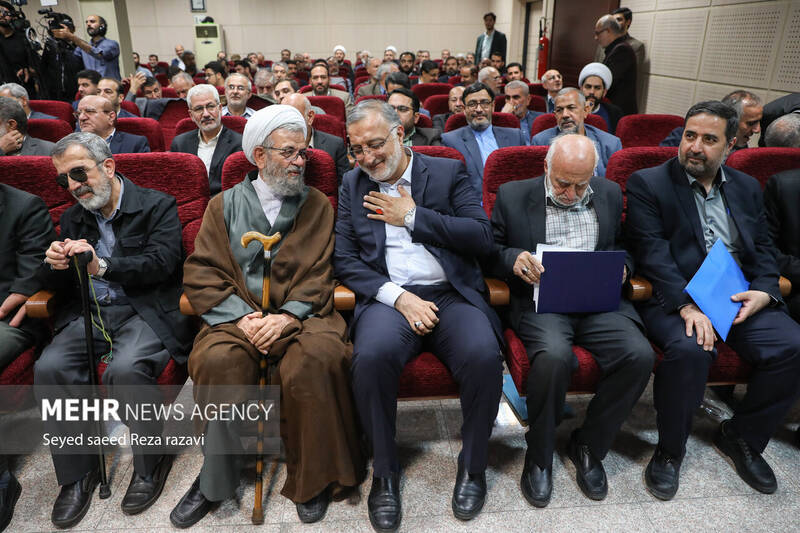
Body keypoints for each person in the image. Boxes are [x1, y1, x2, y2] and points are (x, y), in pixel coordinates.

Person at [171, 105, 365, 528]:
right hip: (236, 316)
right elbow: (202, 270)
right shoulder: (222, 205)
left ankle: (313, 477)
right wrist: (243, 318)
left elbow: (322, 271)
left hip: (306, 314)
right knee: (218, 362)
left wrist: (287, 316)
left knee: (315, 361)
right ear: (259, 156)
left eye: (304, 154)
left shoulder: (317, 205)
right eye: (290, 153)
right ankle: (214, 477)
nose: (300, 162)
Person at [335, 99, 503, 530]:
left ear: (401, 133)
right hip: (391, 298)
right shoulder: (352, 184)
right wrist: (397, 297)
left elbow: (481, 237)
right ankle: (385, 474)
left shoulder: (446, 171)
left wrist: (412, 216)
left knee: (484, 356)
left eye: (375, 144)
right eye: (357, 149)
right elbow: (346, 260)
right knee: (369, 359)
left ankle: (473, 466)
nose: (367, 157)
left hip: (450, 293)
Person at [626, 100, 800, 501]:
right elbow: (652, 254)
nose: (695, 147)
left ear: (731, 145)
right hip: (677, 295)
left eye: (709, 139)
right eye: (690, 136)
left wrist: (764, 289)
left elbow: (763, 246)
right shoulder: (647, 183)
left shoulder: (744, 187)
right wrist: (686, 306)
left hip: (737, 293)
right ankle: (670, 451)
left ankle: (741, 437)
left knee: (792, 346)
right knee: (691, 350)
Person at [35, 132, 192, 528]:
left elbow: (162, 262)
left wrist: (102, 267)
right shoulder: (74, 217)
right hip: (91, 313)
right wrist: (53, 262)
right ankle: (77, 474)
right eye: (63, 179)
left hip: (144, 309)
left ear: (108, 166)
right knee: (50, 368)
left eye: (79, 172)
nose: (72, 185)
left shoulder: (157, 204)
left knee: (125, 369)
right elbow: (59, 284)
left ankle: (149, 462)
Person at [488, 133, 654, 507]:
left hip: (598, 302)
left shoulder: (609, 192)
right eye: (562, 183)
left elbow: (625, 248)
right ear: (546, 167)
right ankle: (540, 453)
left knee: (639, 356)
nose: (571, 193)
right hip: (542, 301)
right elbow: (490, 250)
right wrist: (513, 258)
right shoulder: (514, 195)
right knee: (553, 356)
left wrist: (624, 270)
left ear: (593, 174)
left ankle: (589, 444)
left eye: (581, 185)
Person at [442, 83, 527, 195]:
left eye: (484, 103)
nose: (479, 109)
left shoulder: (515, 136)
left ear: (493, 106)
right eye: (472, 104)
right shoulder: (450, 140)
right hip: (473, 204)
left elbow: (523, 177)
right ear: (465, 109)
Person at [531, 88, 621, 177]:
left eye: (571, 108)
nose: (565, 115)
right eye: (559, 110)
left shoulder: (610, 144)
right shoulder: (540, 142)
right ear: (555, 115)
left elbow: (613, 185)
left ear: (585, 110)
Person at [170, 84, 243, 196]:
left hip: (224, 206)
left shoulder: (239, 143)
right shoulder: (180, 144)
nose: (206, 114)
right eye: (199, 109)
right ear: (191, 115)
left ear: (219, 109)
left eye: (210, 106)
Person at [660, 91, 764, 150]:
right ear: (732, 120)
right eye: (751, 123)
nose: (757, 130)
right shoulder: (679, 138)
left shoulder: (743, 152)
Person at [283, 93, 350, 183]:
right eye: (282, 117)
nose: (286, 122)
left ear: (310, 117)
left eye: (292, 116)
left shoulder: (335, 145)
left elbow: (344, 185)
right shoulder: (275, 146)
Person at [52, 14, 121, 80]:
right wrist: (64, 38)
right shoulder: (81, 48)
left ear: (102, 26)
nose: (88, 24)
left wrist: (72, 37)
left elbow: (98, 54)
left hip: (110, 88)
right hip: (92, 89)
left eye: (92, 21)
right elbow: (72, 63)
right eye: (87, 22)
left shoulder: (112, 44)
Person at [76, 94, 149, 154]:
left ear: (111, 117)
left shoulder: (134, 144)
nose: (81, 118)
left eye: (89, 111)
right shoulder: (72, 144)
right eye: (78, 113)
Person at [594, 15, 637, 115]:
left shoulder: (622, 50)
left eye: (598, 33)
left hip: (619, 113)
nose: (595, 38)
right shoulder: (615, 49)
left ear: (608, 31)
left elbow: (608, 82)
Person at [578, 62, 623, 134]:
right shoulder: (568, 110)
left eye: (597, 88)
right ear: (581, 89)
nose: (592, 92)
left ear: (604, 92)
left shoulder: (614, 113)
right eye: (588, 87)